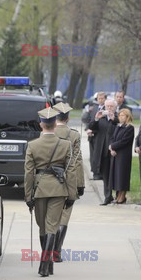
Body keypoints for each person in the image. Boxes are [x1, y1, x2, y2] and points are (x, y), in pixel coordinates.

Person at [24, 107, 77, 277]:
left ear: (41, 124)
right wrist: (71, 194)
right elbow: (71, 171)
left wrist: (28, 196)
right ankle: (48, 265)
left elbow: (28, 174)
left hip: (40, 189)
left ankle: (43, 266)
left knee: (42, 227)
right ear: (55, 124)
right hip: (59, 189)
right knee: (51, 226)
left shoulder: (32, 145)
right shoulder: (65, 144)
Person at [52, 102, 84, 262]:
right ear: (68, 118)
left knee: (49, 217)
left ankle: (47, 251)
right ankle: (56, 251)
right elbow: (77, 160)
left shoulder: (47, 133)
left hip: (49, 180)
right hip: (68, 180)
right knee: (64, 216)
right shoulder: (74, 135)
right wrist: (80, 184)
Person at [88, 98, 118, 205]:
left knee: (116, 174)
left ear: (115, 107)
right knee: (105, 175)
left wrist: (113, 119)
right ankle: (107, 196)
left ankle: (119, 196)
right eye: (107, 106)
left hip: (115, 150)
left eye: (111, 106)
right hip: (102, 150)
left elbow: (119, 126)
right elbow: (91, 126)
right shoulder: (101, 116)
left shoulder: (118, 117)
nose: (109, 108)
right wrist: (96, 118)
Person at [109, 108, 134, 204]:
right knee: (116, 175)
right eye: (119, 115)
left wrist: (113, 146)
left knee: (122, 175)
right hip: (115, 154)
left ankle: (122, 196)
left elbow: (124, 141)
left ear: (127, 117)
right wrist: (111, 148)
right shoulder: (118, 126)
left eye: (123, 115)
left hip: (124, 155)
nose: (120, 117)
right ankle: (118, 195)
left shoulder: (129, 128)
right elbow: (113, 138)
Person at [86, 92, 106, 180]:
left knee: (99, 155)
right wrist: (87, 129)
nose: (101, 100)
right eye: (99, 98)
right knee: (93, 155)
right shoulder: (94, 108)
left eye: (102, 98)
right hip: (92, 136)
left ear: (105, 99)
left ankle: (99, 173)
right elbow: (89, 120)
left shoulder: (107, 109)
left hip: (100, 135)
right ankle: (94, 173)